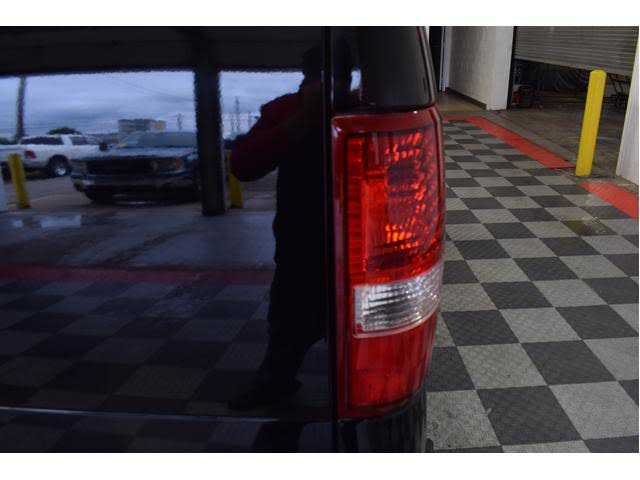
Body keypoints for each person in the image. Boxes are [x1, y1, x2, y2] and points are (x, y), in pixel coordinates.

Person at [228, 47, 327, 410]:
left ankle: (370, 392)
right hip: (302, 241)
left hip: (356, 241)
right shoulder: (285, 109)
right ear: (307, 76)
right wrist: (299, 121)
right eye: (319, 74)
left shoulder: (362, 107)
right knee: (287, 321)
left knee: (366, 324)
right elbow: (243, 165)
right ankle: (276, 380)